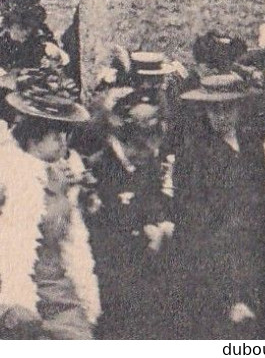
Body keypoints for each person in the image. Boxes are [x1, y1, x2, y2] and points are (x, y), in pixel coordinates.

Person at [0, 78, 99, 339]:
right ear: (33, 138)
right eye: (55, 134)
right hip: (14, 296)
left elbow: (66, 233)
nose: (62, 142)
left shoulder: (57, 176)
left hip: (58, 294)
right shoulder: (5, 173)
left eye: (64, 134)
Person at [169, 72, 265, 338]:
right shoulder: (194, 152)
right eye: (213, 110)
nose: (219, 117)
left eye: (226, 109)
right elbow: (191, 212)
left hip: (254, 243)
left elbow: (260, 186)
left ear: (239, 108)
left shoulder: (252, 143)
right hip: (214, 252)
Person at [86, 85, 174, 339]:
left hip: (145, 264)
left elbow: (151, 197)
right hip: (115, 268)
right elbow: (104, 218)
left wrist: (157, 222)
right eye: (144, 125)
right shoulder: (101, 165)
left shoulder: (148, 162)